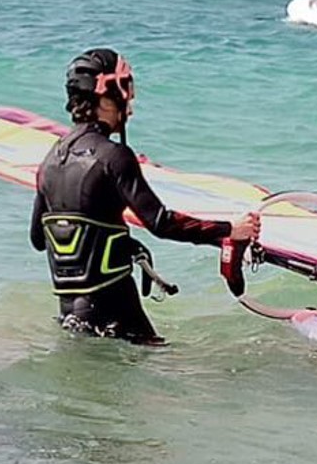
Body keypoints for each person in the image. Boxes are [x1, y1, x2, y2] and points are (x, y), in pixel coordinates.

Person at [29, 48, 261, 346]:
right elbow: (161, 223)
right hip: (116, 316)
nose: (131, 107)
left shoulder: (49, 161)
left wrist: (117, 243)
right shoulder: (114, 157)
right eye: (127, 91)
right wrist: (229, 230)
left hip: (70, 318)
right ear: (106, 95)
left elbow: (39, 239)